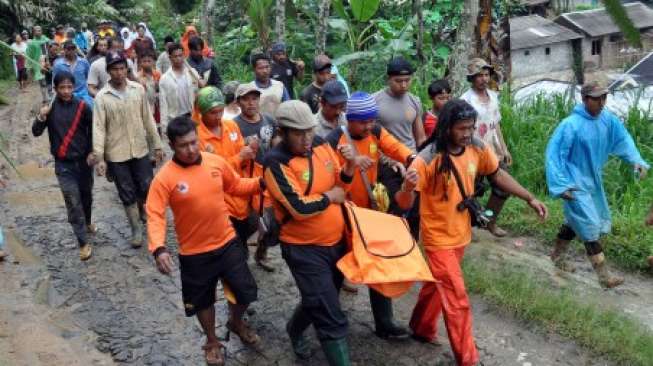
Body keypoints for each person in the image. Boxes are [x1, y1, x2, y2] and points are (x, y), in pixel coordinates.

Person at [397, 99, 548, 366]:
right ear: (446, 128)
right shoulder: (427, 159)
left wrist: (530, 198)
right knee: (457, 300)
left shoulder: (477, 148)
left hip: (461, 234)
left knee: (436, 287)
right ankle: (468, 359)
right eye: (461, 128)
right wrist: (407, 189)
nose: (467, 133)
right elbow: (404, 203)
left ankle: (421, 328)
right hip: (437, 239)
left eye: (470, 127)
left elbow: (497, 175)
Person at [147, 115, 261, 366]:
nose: (190, 150)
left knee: (245, 292)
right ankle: (211, 341)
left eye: (193, 142)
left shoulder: (215, 162)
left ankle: (236, 321)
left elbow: (237, 185)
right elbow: (155, 214)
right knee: (202, 301)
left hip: (227, 241)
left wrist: (262, 183)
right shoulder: (165, 177)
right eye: (183, 145)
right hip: (194, 252)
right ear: (171, 145)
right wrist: (159, 248)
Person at [264, 100, 356, 365]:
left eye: (309, 131)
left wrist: (349, 167)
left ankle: (294, 328)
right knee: (330, 313)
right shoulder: (275, 162)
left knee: (319, 296)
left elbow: (341, 183)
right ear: (282, 131)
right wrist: (329, 197)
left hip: (336, 242)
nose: (306, 139)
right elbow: (298, 208)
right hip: (303, 248)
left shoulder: (321, 144)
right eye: (298, 133)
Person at [325, 91, 415, 340]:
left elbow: (394, 146)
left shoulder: (375, 133)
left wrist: (412, 157)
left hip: (370, 215)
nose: (368, 126)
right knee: (337, 268)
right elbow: (329, 181)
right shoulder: (333, 141)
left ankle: (384, 322)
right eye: (362, 121)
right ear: (349, 119)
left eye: (371, 120)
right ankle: (329, 318)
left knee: (378, 264)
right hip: (342, 217)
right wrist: (351, 164)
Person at [545, 80, 649, 288]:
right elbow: (554, 156)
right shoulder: (570, 125)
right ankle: (604, 276)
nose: (601, 103)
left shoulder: (608, 121)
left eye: (604, 98)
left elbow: (623, 140)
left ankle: (557, 256)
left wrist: (636, 161)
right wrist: (561, 185)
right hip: (573, 183)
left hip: (593, 180)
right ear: (584, 99)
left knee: (576, 221)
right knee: (590, 225)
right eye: (596, 99)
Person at [90, 50, 163, 248]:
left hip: (140, 149)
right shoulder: (102, 98)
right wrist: (100, 158)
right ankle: (135, 229)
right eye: (115, 69)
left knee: (146, 186)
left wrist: (157, 145)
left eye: (122, 68)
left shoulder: (137, 90)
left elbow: (148, 119)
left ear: (126, 69)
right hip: (116, 153)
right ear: (109, 72)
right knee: (126, 191)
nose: (119, 73)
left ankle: (143, 211)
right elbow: (98, 128)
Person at [32, 71, 96, 261]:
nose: (66, 91)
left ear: (74, 87)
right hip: (63, 165)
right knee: (72, 201)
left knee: (86, 196)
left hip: (84, 162)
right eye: (62, 88)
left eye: (69, 87)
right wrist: (41, 117)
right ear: (55, 88)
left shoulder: (83, 106)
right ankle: (83, 243)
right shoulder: (50, 109)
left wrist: (93, 151)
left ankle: (88, 221)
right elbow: (35, 132)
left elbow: (93, 129)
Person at [195, 87, 258, 257]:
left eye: (221, 111)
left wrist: (249, 152)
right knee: (231, 246)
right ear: (202, 112)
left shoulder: (231, 126)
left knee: (245, 232)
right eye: (213, 113)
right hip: (220, 200)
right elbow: (210, 172)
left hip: (240, 194)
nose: (218, 116)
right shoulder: (197, 138)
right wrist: (239, 157)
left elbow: (242, 157)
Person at [374, 57, 426, 236]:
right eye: (398, 81)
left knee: (416, 210)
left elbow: (420, 137)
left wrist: (424, 159)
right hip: (388, 164)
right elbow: (370, 138)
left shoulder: (414, 101)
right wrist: (387, 160)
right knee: (393, 207)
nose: (403, 85)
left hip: (412, 162)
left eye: (407, 80)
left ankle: (412, 248)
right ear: (388, 79)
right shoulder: (376, 101)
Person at [461, 58, 512, 237]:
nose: (483, 79)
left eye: (486, 74)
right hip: (472, 151)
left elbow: (495, 125)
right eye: (479, 75)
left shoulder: (493, 96)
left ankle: (489, 220)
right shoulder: (466, 100)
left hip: (493, 151)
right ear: (472, 79)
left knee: (503, 188)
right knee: (470, 191)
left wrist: (504, 149)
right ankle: (466, 227)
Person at [233, 83, 279, 269]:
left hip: (267, 177)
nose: (251, 103)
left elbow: (276, 141)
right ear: (238, 102)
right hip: (245, 180)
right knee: (248, 220)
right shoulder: (234, 125)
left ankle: (262, 252)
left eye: (254, 98)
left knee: (269, 219)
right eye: (246, 99)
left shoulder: (268, 120)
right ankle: (241, 249)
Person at [159, 43, 201, 129]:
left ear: (184, 56)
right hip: (176, 119)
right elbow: (163, 105)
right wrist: (164, 127)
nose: (178, 58)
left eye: (180, 55)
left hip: (192, 116)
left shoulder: (192, 73)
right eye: (175, 56)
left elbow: (199, 92)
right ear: (170, 58)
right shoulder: (165, 79)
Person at [52, 40, 92, 106]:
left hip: (83, 93)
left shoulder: (83, 62)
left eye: (73, 48)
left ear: (76, 49)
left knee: (90, 109)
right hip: (65, 94)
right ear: (64, 50)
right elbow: (54, 81)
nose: (71, 51)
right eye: (68, 49)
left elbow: (89, 77)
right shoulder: (58, 64)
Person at [136, 49, 161, 133]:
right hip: (145, 106)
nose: (147, 63)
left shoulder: (157, 74)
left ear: (153, 62)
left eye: (149, 61)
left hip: (157, 105)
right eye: (144, 61)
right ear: (140, 63)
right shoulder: (138, 77)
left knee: (158, 126)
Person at [26, 26, 51, 103]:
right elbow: (29, 55)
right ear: (33, 33)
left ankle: (51, 96)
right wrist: (29, 67)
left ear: (42, 31)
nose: (38, 32)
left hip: (48, 61)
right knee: (42, 81)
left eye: (39, 30)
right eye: (36, 31)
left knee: (49, 80)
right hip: (38, 63)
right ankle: (45, 98)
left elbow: (50, 48)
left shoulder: (46, 40)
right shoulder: (31, 43)